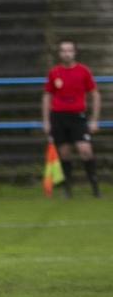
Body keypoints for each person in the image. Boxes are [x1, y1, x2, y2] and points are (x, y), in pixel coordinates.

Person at [43, 39, 100, 198]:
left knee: (85, 150)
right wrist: (46, 120)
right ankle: (68, 189)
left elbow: (95, 94)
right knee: (65, 153)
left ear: (74, 52)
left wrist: (95, 119)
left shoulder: (84, 71)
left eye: (69, 50)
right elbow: (47, 96)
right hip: (59, 117)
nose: (66, 53)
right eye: (63, 51)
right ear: (59, 54)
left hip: (78, 117)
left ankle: (95, 186)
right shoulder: (54, 72)